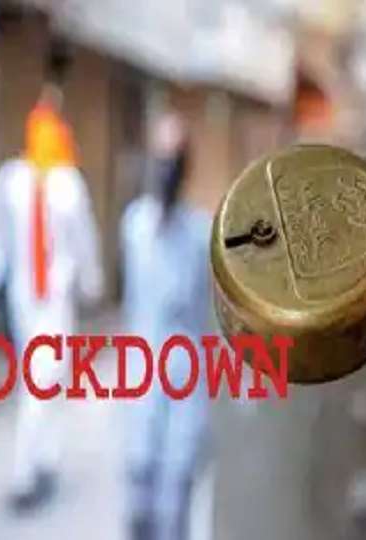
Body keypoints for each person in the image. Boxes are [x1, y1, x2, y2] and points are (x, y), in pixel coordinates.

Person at [0, 83, 104, 512]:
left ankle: (46, 460)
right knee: (39, 380)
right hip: (26, 296)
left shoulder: (67, 183)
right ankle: (25, 473)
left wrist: (89, 283)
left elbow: (83, 241)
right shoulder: (14, 180)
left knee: (48, 377)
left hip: (54, 296)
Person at [120, 112, 213, 540]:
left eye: (173, 160)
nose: (165, 170)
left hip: (185, 385)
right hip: (142, 381)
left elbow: (208, 319)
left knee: (175, 505)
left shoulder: (198, 235)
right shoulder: (134, 227)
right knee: (139, 512)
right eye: (159, 158)